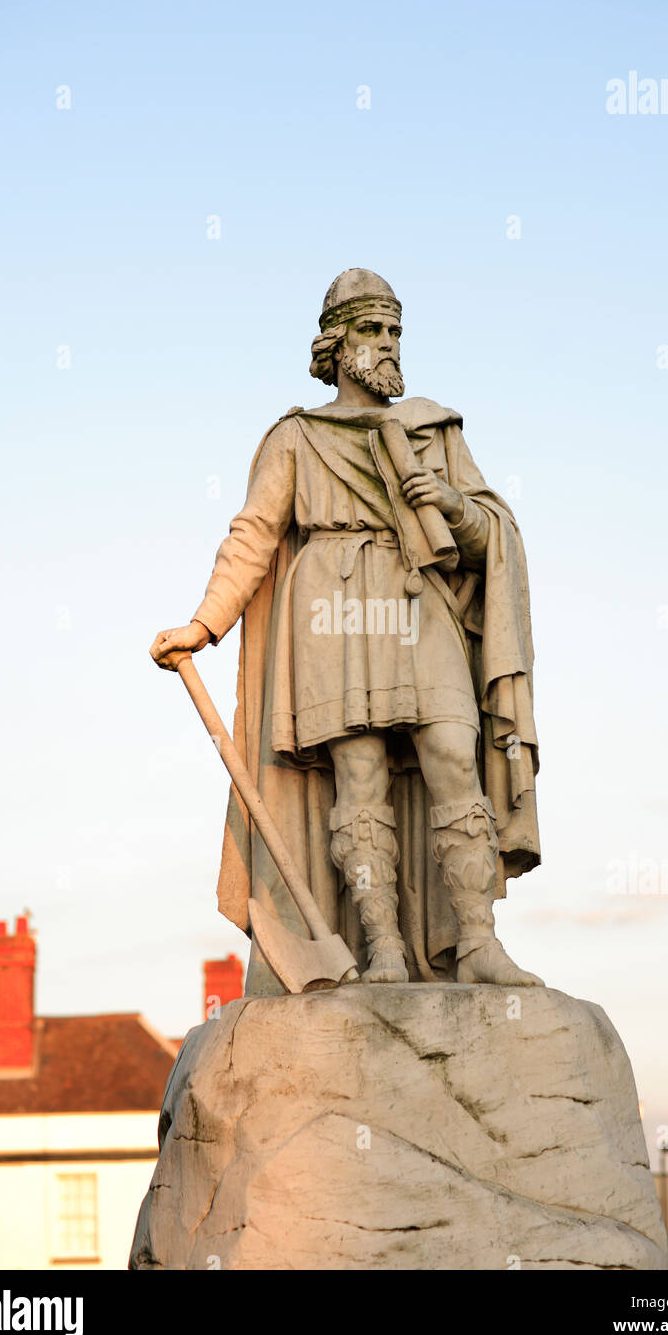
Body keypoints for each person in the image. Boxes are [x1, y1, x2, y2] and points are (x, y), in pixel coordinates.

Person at [151, 269, 543, 995]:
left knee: (455, 753)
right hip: (330, 605)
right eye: (373, 330)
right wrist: (204, 623)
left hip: (414, 592)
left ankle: (476, 941)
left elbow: (495, 537)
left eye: (396, 331)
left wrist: (453, 506)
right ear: (336, 345)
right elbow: (254, 534)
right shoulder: (297, 437)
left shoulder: (434, 430)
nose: (389, 344)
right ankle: (383, 947)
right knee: (357, 777)